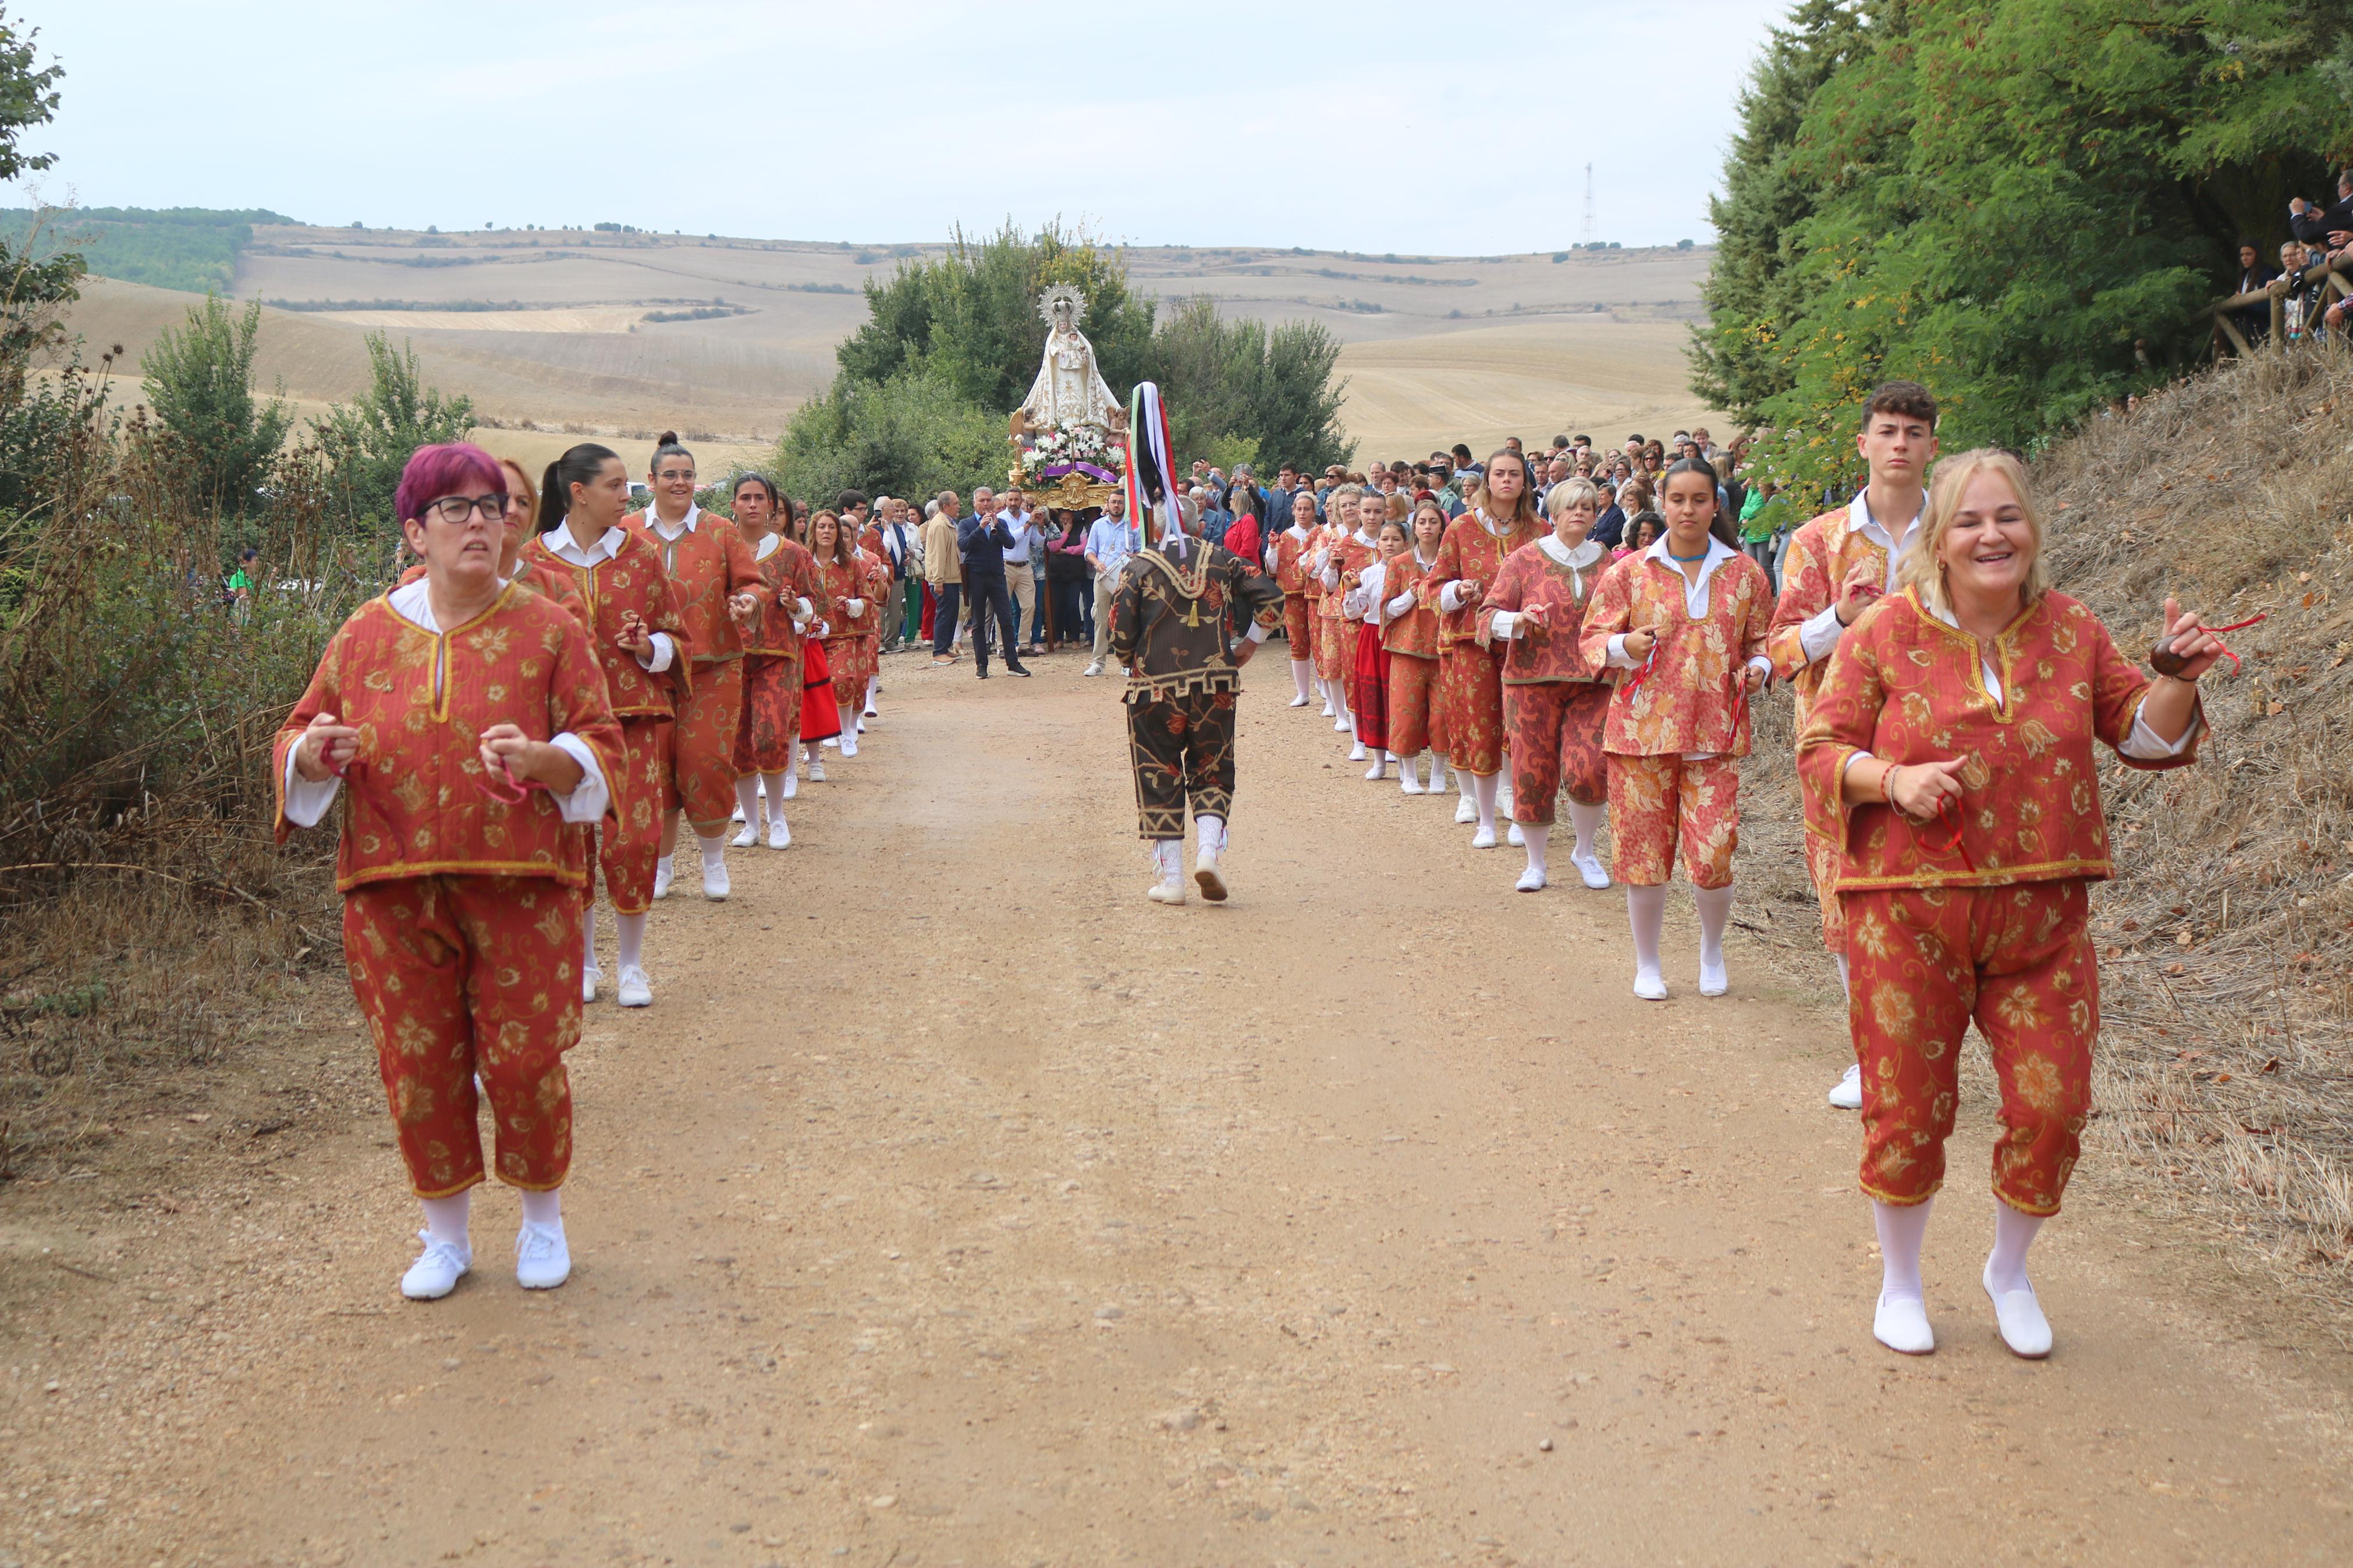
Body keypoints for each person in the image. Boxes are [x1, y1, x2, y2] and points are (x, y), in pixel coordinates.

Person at [1795, 448, 2216, 1360]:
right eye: (1969, 521)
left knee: (2051, 1103)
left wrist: (2177, 675)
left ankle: (2008, 1270)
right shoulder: (1882, 633)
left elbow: (2141, 737)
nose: (1991, 535)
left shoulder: (2071, 628)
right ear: (1937, 541)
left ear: (2031, 529)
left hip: (2042, 916)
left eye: (2007, 517)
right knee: (1906, 1105)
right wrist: (1890, 778)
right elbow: (1820, 748)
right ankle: (1899, 1281)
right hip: (1906, 910)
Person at [276, 442, 621, 1300]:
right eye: (455, 508)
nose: (481, 520)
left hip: (522, 882)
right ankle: (446, 1234)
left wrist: (547, 760)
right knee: (419, 1063)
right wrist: (314, 755)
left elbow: (601, 741)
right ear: (414, 531)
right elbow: (297, 735)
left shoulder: (550, 628)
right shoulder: (364, 631)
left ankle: (542, 1217)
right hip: (390, 886)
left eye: (490, 506)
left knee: (522, 1060)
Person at [1768, 379, 1939, 1110]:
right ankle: (1868, 1055)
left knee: (1934, 902)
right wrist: (1836, 618)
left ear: (1932, 445)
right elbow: (1775, 650)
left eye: (1913, 431)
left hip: (1938, 742)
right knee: (1846, 900)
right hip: (1841, 746)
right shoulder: (1816, 541)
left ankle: (1927, 1049)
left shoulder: (1959, 532)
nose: (1899, 443)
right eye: (1887, 430)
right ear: (1863, 443)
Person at [1579, 456, 1772, 1002]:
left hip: (1715, 735)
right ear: (1661, 504)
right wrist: (1622, 647)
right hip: (1640, 735)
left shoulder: (1745, 573)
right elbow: (1591, 640)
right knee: (1643, 857)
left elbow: (1763, 640)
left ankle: (1711, 949)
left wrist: (1760, 669)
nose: (1688, 509)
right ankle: (1648, 962)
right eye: (1678, 499)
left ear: (1716, 505)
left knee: (1712, 855)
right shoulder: (1629, 571)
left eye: (1699, 500)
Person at [1108, 386, 1287, 905]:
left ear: (1160, 524)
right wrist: (1249, 642)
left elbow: (1120, 633)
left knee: (1159, 775)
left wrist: (1129, 663)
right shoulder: (1222, 558)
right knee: (1211, 768)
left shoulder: (1138, 567)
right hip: (1216, 685)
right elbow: (1272, 599)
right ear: (1195, 523)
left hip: (1153, 690)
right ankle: (1210, 851)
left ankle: (1172, 880)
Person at [524, 443, 687, 1012]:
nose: (627, 496)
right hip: (561, 731)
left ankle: (631, 963)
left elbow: (676, 637)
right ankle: (585, 961)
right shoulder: (532, 563)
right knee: (573, 840)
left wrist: (648, 647)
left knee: (635, 839)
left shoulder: (641, 557)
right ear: (579, 492)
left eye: (626, 486)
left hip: (633, 720)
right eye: (616, 486)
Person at [626, 433, 761, 902]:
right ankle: (662, 866)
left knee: (705, 763)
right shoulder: (626, 531)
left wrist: (747, 602)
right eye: (671, 475)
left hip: (712, 667)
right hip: (646, 671)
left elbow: (752, 583)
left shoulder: (720, 529)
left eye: (687, 475)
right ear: (651, 481)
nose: (680, 482)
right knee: (656, 769)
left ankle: (712, 859)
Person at [1479, 477, 1613, 892]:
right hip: (1529, 680)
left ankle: (1585, 851)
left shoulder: (1609, 562)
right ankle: (1535, 864)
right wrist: (1516, 620)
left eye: (1588, 507)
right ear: (1553, 514)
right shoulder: (1523, 560)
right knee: (1532, 771)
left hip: (1592, 680)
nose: (1580, 513)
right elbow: (1486, 616)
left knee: (1590, 766)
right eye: (1571, 506)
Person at [1425, 449, 1546, 848]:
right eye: (1499, 473)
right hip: (1470, 639)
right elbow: (1435, 587)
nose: (1506, 480)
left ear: (1524, 481)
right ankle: (1475, 802)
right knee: (1476, 718)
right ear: (1487, 480)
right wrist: (1458, 590)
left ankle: (1512, 798)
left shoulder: (1539, 530)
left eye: (1514, 473)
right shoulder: (1460, 527)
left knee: (1519, 721)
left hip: (1524, 641)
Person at [725, 472, 818, 849]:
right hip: (729, 658)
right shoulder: (721, 550)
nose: (751, 504)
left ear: (770, 506)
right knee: (737, 741)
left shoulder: (792, 553)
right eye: (744, 497)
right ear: (733, 505)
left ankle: (776, 815)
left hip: (777, 656)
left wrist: (796, 606)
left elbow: (811, 608)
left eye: (759, 498)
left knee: (770, 733)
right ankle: (750, 822)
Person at [1382, 497, 1451, 797]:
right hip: (1407, 647)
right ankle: (1408, 773)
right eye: (1422, 522)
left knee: (1442, 715)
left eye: (1433, 522)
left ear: (1441, 528)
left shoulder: (1450, 563)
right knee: (1406, 714)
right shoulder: (1399, 564)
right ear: (1414, 527)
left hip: (1443, 648)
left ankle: (1438, 771)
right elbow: (1387, 609)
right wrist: (1411, 595)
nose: (1427, 527)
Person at [806, 510, 879, 756]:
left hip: (844, 635)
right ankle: (818, 737)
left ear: (838, 533)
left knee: (844, 679)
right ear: (814, 532)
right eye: (821, 527)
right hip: (810, 637)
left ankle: (845, 731)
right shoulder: (804, 564)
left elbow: (868, 599)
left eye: (831, 527)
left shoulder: (852, 565)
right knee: (814, 688)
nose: (826, 531)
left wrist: (852, 605)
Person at [1342, 516, 1408, 780]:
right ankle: (1378, 759)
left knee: (1401, 698)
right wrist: (1349, 592)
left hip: (1403, 638)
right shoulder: (1368, 574)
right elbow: (1355, 611)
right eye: (1385, 539)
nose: (1390, 544)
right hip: (1373, 637)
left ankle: (1404, 759)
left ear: (1406, 543)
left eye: (1395, 539)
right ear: (1377, 543)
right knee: (1373, 698)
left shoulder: (1411, 572)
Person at [959, 493, 1024, 678]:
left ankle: (1013, 663)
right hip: (976, 577)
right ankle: (982, 664)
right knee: (979, 623)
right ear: (974, 503)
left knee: (1006, 619)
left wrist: (997, 526)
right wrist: (981, 528)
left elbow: (1010, 544)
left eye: (989, 501)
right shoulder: (966, 524)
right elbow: (963, 545)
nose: (986, 504)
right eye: (982, 501)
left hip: (997, 577)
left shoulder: (1000, 522)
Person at [1083, 490, 1141, 678]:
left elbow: (1141, 551)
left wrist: (1135, 557)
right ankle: (1098, 663)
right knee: (1101, 619)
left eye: (1121, 503)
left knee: (1125, 620)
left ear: (1126, 506)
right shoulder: (1098, 526)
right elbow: (1090, 550)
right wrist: (1097, 563)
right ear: (1107, 505)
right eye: (1114, 502)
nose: (1117, 506)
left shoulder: (1133, 527)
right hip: (1102, 578)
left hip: (1126, 579)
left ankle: (1126, 662)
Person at [1272, 489, 1320, 707]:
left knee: (1320, 642)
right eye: (1299, 509)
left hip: (1318, 594)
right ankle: (1303, 692)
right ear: (1293, 511)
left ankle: (1325, 689)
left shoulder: (1322, 533)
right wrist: (1272, 549)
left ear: (1314, 511)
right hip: (1293, 596)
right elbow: (1274, 567)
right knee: (1298, 643)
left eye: (1307, 509)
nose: (1302, 513)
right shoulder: (1285, 537)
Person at [1044, 508, 1092, 653]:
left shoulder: (1080, 528)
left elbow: (1083, 548)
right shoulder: (1053, 528)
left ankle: (1076, 638)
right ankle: (1060, 638)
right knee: (1059, 606)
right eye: (1063, 519)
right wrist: (1065, 533)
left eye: (1068, 519)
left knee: (1073, 606)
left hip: (1075, 572)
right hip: (1057, 572)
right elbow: (1053, 547)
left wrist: (1065, 550)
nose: (1066, 522)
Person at [924, 489, 964, 665]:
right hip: (944, 579)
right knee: (944, 615)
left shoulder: (947, 522)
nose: (959, 506)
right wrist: (938, 581)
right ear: (946, 506)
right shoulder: (940, 525)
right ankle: (938, 652)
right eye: (955, 503)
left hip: (951, 578)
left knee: (951, 614)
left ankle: (945, 649)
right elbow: (938, 554)